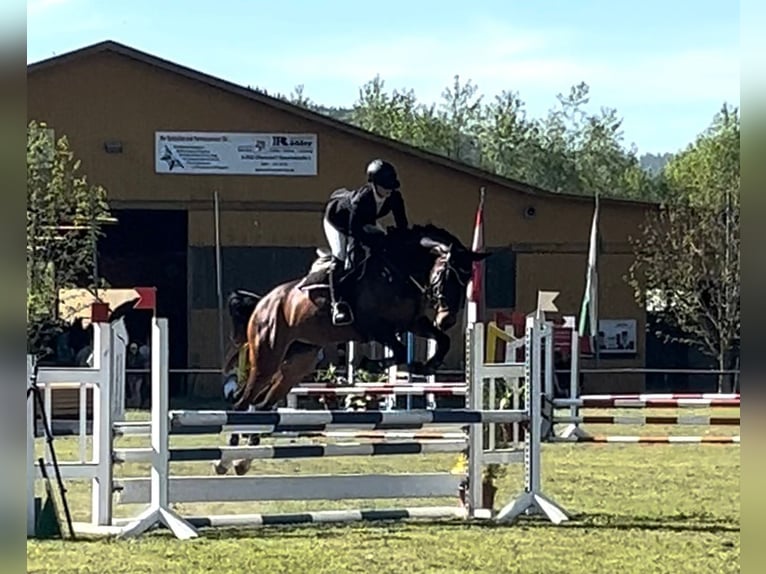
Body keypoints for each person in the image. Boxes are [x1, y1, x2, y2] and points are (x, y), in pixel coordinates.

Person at [322, 159, 409, 326]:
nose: (389, 190)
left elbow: (402, 225)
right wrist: (373, 243)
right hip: (337, 222)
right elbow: (354, 232)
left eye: (391, 186)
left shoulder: (394, 197)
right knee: (341, 256)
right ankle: (337, 305)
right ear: (374, 184)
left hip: (365, 221)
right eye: (385, 186)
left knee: (385, 244)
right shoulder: (361, 200)